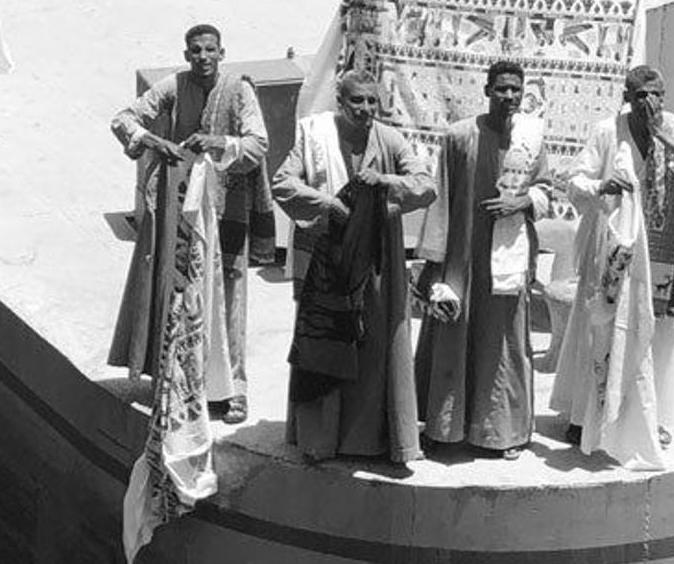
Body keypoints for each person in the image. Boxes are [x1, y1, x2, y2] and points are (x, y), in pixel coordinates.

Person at [552, 65, 674, 468]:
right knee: (600, 327)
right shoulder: (608, 131)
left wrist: (665, 140)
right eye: (640, 95)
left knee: (655, 334)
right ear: (627, 96)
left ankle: (649, 414)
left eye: (656, 94)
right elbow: (575, 181)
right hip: (613, 249)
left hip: (661, 249)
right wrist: (601, 187)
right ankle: (583, 416)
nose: (649, 103)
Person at [272, 71, 436, 463]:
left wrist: (383, 181)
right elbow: (282, 183)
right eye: (356, 101)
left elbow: (425, 185)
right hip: (327, 259)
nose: (364, 109)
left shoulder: (389, 139)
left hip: (375, 258)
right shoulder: (314, 136)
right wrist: (327, 204)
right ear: (340, 102)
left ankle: (371, 439)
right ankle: (320, 439)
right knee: (324, 341)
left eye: (371, 102)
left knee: (376, 341)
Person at [109, 23, 268, 424]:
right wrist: (152, 140)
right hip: (181, 205)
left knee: (227, 295)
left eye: (209, 50)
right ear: (186, 55)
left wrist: (219, 144)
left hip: (225, 206)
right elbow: (123, 119)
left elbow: (258, 143)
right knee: (177, 289)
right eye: (195, 51)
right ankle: (175, 376)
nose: (202, 57)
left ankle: (234, 389)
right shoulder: (173, 87)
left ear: (221, 52)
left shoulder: (239, 91)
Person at [414, 60, 551, 459]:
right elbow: (439, 198)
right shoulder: (459, 136)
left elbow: (546, 187)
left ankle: (501, 432)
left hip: (508, 256)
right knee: (453, 331)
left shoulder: (531, 137)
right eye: (501, 89)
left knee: (503, 340)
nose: (509, 97)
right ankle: (444, 427)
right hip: (462, 255)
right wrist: (433, 263)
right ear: (487, 90)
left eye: (516, 90)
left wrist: (521, 201)